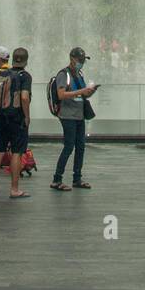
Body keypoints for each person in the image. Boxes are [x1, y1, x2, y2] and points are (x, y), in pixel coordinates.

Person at [0, 46, 32, 199]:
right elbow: (24, 98)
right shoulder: (24, 76)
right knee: (16, 153)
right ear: (26, 61)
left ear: (13, 59)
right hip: (16, 120)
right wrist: (27, 117)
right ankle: (14, 189)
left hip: (0, 119)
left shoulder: (4, 73)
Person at [50, 47, 97, 192]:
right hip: (67, 116)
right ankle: (57, 179)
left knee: (81, 147)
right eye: (80, 60)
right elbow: (61, 95)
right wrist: (82, 91)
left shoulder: (79, 74)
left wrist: (89, 92)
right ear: (72, 59)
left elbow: (81, 96)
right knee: (69, 146)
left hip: (79, 115)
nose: (82, 62)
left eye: (83, 60)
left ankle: (77, 178)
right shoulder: (64, 75)